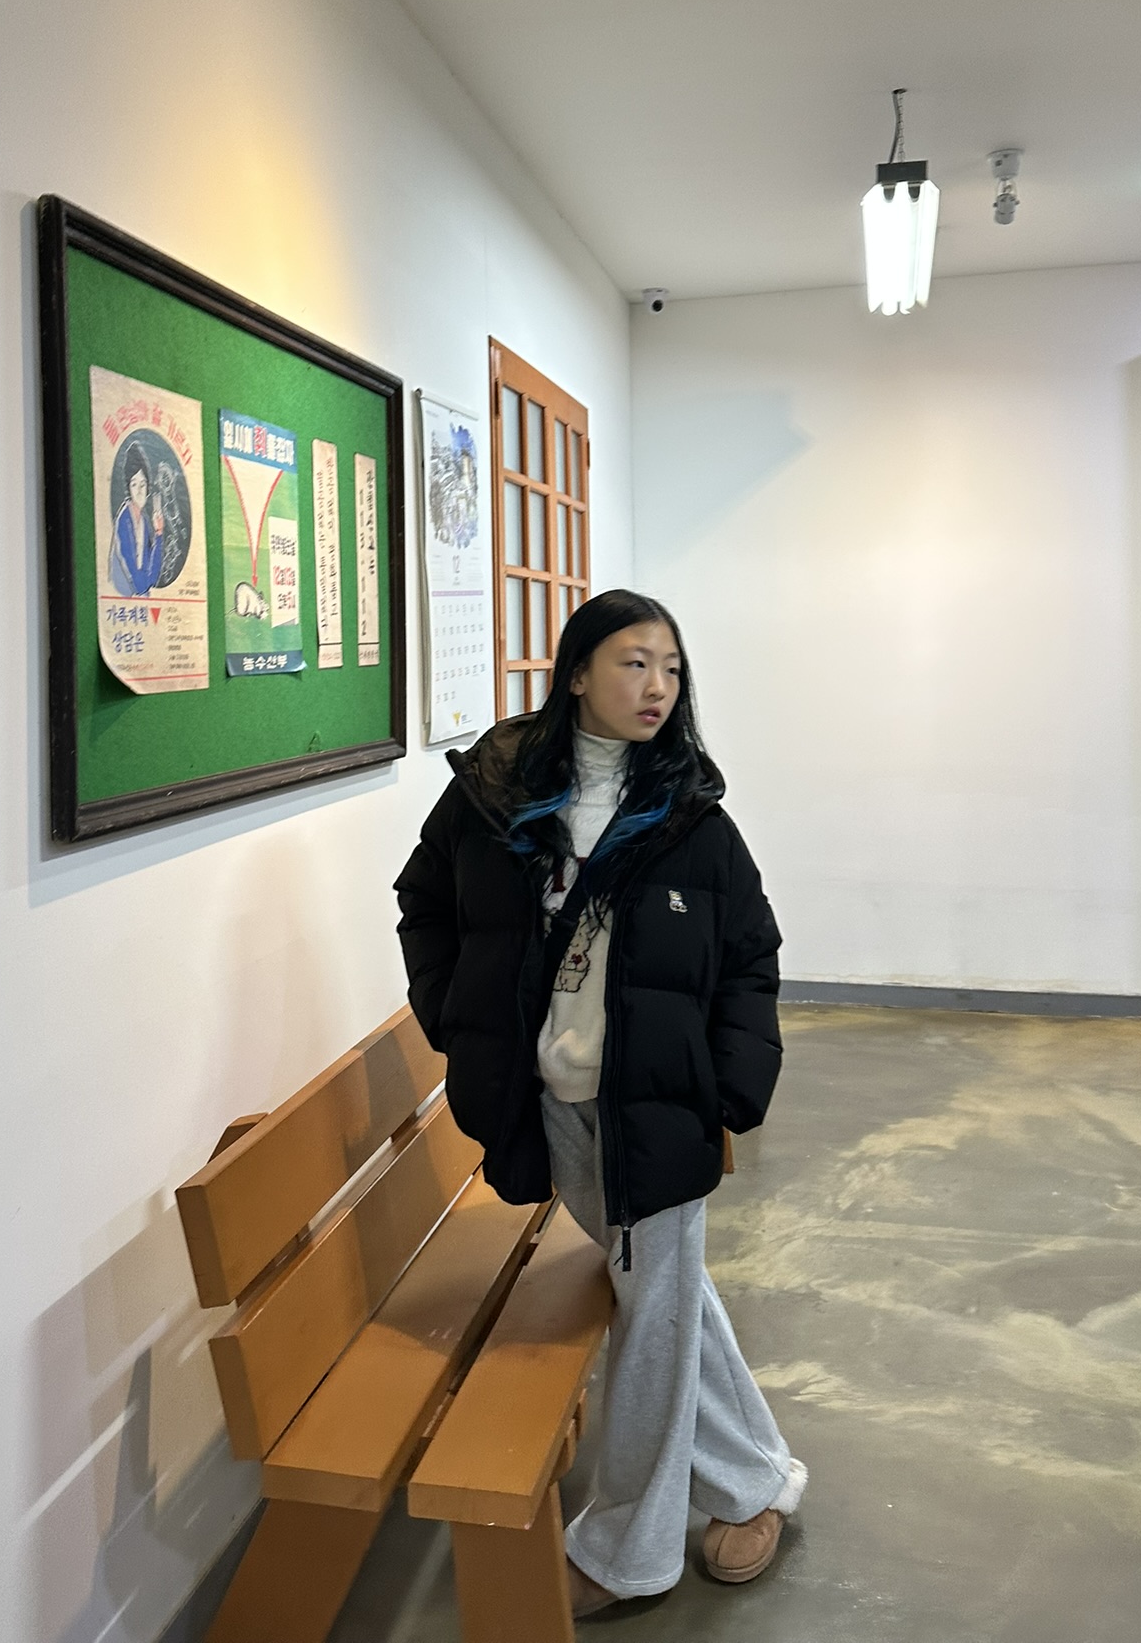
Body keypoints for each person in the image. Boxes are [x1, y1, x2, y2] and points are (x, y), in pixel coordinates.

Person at [395, 588, 805, 1618]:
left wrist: (729, 1088)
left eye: (671, 667)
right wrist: (457, 1016)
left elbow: (749, 952)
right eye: (634, 662)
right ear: (577, 672)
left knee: (654, 1316)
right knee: (666, 1297)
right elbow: (424, 901)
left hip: (654, 1108)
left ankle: (628, 1552)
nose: (657, 685)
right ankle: (758, 1477)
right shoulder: (494, 798)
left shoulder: (693, 821)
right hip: (548, 1101)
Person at [109, 446, 165, 597]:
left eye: (143, 484)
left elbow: (152, 577)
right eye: (134, 484)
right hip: (124, 596)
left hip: (140, 597)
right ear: (129, 488)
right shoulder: (124, 520)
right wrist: (145, 592)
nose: (139, 491)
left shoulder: (144, 522)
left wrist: (159, 533)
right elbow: (136, 579)